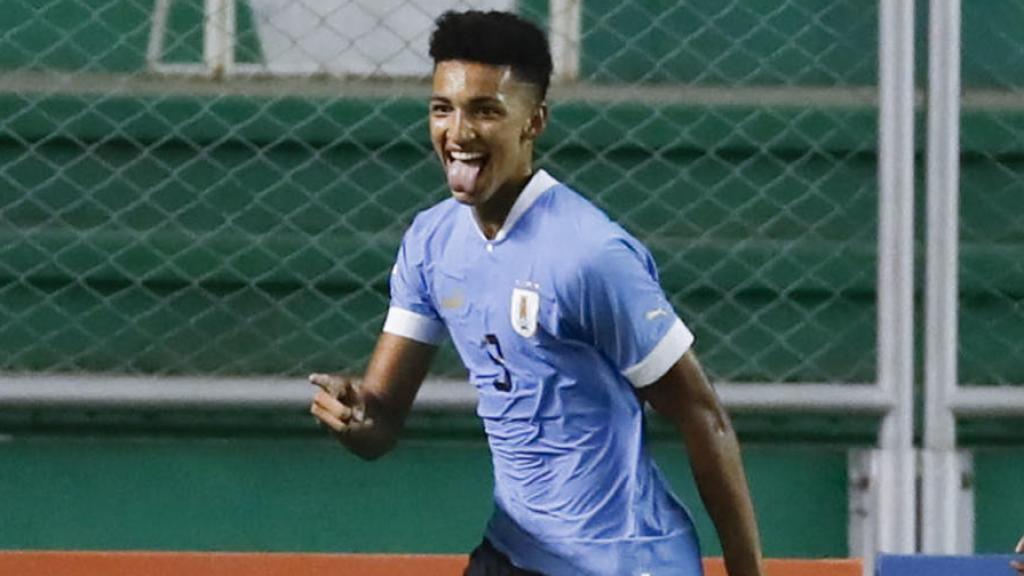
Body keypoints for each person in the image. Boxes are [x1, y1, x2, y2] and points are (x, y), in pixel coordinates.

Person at [309, 10, 764, 576]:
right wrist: (355, 418)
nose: (458, 133)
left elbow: (703, 417)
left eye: (485, 111)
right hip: (514, 551)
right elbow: (382, 421)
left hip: (623, 562)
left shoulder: (589, 256)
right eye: (442, 109)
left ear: (534, 122)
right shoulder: (432, 242)